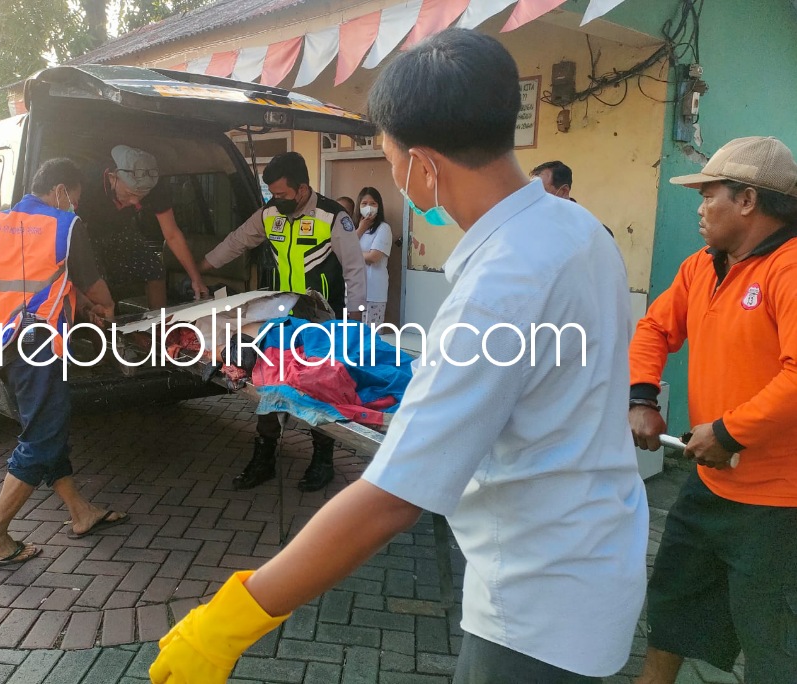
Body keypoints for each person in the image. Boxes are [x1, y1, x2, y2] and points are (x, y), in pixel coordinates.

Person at [151, 29, 647, 684]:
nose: (393, 178)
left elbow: (393, 495)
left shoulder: (500, 285)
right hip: (595, 551)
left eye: (389, 159)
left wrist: (228, 622)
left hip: (537, 606)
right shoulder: (578, 229)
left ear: (423, 166)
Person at [628, 136, 797, 684]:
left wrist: (728, 432)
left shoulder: (789, 269)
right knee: (673, 605)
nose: (700, 208)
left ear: (747, 200)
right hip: (709, 484)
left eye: (708, 195)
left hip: (779, 503)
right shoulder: (702, 267)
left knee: (774, 643)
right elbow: (655, 328)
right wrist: (642, 397)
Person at [0, 158, 127, 568]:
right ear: (61, 190)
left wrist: (73, 302)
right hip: (38, 344)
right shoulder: (64, 224)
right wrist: (104, 305)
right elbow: (92, 283)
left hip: (2, 342)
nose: (74, 206)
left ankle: (81, 513)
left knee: (47, 428)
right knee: (42, 437)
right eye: (75, 198)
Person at [198, 151, 367, 493]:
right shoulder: (270, 214)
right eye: (272, 194)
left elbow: (355, 270)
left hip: (323, 319)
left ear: (302, 188)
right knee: (268, 381)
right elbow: (237, 241)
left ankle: (322, 460)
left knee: (319, 387)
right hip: (281, 316)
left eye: (282, 193)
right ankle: (264, 458)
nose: (276, 200)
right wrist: (201, 267)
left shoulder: (333, 217)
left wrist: (354, 322)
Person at [77, 145, 208, 309]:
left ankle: (158, 323)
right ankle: (104, 324)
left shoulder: (155, 187)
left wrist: (196, 279)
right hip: (86, 235)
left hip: (121, 231)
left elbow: (172, 234)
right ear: (112, 178)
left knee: (155, 269)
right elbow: (75, 233)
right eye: (129, 193)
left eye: (141, 196)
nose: (135, 202)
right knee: (96, 281)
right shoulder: (87, 184)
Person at [531, 160, 614, 236]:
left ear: (564, 191)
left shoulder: (595, 233)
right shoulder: (533, 226)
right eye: (532, 191)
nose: (534, 198)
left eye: (541, 191)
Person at [354, 186, 394, 326]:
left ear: (379, 206)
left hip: (373, 291)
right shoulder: (353, 228)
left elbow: (373, 257)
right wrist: (361, 229)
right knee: (351, 334)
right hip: (352, 290)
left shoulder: (383, 228)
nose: (369, 207)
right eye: (364, 203)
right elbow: (343, 250)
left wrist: (352, 254)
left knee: (370, 334)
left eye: (373, 203)